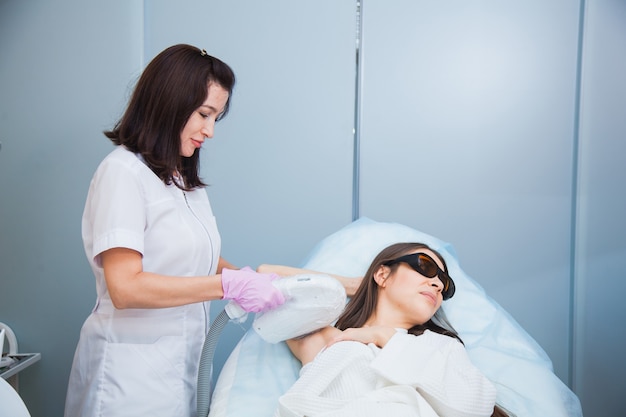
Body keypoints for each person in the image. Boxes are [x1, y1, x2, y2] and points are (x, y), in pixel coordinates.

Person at [64, 44, 287, 417]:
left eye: (216, 117)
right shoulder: (122, 173)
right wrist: (227, 287)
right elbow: (126, 287)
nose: (210, 131)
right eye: (204, 114)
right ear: (169, 102)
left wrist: (244, 278)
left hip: (179, 369)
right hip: (128, 380)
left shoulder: (180, 181)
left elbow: (194, 255)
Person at [273, 242, 507, 417]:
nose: (436, 284)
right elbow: (270, 284)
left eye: (444, 284)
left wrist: (385, 336)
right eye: (425, 266)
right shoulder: (331, 340)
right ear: (383, 273)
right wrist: (356, 284)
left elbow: (475, 405)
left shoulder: (441, 346)